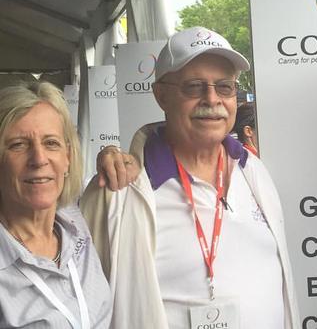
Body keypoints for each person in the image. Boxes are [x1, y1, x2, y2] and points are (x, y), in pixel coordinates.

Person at [80, 26, 299, 329]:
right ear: (161, 95)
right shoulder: (118, 190)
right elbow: (83, 306)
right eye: (194, 87)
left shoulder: (253, 172)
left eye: (225, 87)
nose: (212, 99)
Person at [0, 81, 112, 328]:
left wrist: (118, 156)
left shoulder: (75, 221)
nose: (39, 159)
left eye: (51, 143)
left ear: (68, 157)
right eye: (18, 145)